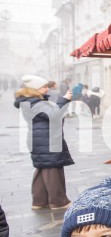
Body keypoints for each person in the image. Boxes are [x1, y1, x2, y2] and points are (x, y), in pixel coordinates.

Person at [14, 75, 74, 211]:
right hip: (46, 139)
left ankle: (39, 201)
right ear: (35, 89)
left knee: (43, 169)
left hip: (41, 138)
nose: (47, 89)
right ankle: (58, 202)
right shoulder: (35, 102)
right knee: (53, 169)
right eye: (44, 87)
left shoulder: (30, 101)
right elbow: (54, 115)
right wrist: (64, 100)